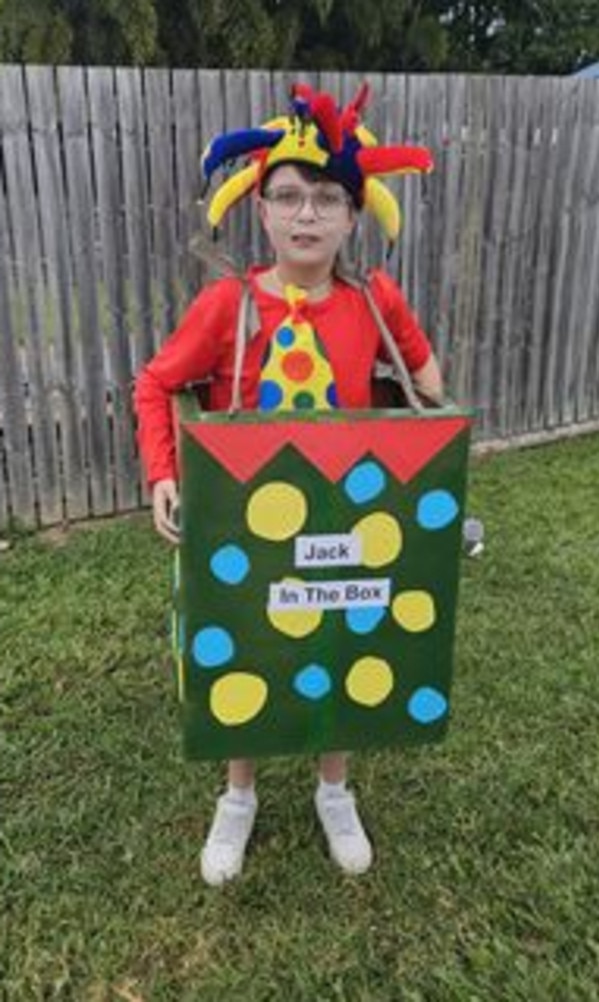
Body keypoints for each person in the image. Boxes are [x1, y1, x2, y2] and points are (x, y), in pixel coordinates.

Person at [134, 82, 444, 886]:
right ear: (261, 209)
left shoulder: (369, 301)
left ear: (354, 213)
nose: (307, 214)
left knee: (337, 635)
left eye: (328, 198)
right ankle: (238, 795)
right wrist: (164, 473)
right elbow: (155, 383)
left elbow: (431, 387)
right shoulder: (225, 304)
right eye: (289, 196)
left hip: (344, 510)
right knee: (251, 640)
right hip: (246, 521)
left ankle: (332, 789)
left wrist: (406, 347)